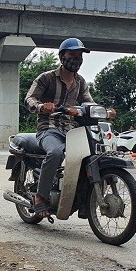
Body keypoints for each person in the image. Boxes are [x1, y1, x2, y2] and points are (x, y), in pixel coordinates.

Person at [24, 37, 94, 220]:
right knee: (55, 153)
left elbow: (89, 103)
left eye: (80, 56)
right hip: (48, 129)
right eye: (72, 54)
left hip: (71, 131)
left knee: (91, 156)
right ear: (62, 56)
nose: (76, 59)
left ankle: (85, 200)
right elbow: (29, 99)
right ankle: (40, 197)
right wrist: (41, 106)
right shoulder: (46, 78)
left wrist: (103, 111)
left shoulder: (80, 82)